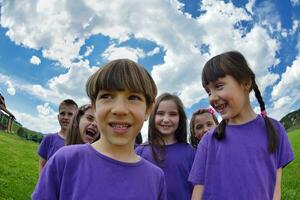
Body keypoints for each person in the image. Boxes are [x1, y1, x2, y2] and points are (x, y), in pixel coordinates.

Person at [32, 58, 167, 200]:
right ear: (94, 107)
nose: (119, 110)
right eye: (107, 96)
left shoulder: (156, 178)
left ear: (148, 110)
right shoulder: (65, 160)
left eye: (133, 97)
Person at [189, 51, 294, 199]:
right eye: (208, 91)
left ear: (246, 82)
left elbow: (275, 188)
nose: (212, 97)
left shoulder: (275, 129)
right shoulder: (208, 141)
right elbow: (198, 192)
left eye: (218, 86)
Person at [136, 93, 195, 200]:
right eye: (160, 113)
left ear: (180, 118)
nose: (166, 119)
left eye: (173, 114)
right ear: (153, 117)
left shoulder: (190, 152)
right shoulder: (140, 152)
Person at [37, 99, 78, 174]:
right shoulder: (48, 139)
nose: (65, 117)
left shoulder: (79, 143)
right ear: (58, 117)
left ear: (77, 118)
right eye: (62, 113)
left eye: (70, 114)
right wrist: (41, 184)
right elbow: (42, 164)